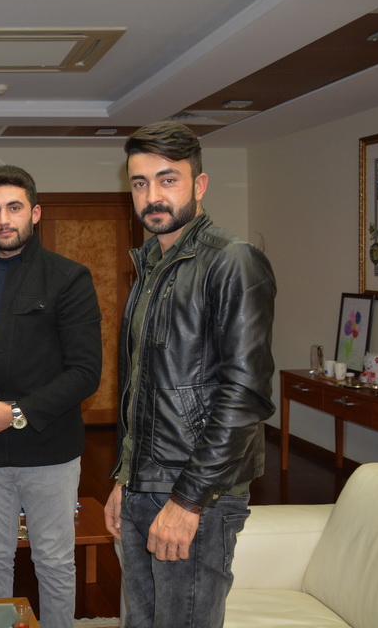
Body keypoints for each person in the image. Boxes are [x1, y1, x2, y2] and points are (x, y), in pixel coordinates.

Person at [103, 121, 276, 628]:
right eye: (140, 183)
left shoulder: (232, 261)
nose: (152, 196)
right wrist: (125, 478)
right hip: (145, 484)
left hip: (196, 493)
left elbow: (244, 397)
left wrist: (187, 501)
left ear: (199, 185)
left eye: (168, 179)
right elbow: (142, 388)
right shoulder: (152, 265)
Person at [0, 165, 102, 628]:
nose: (3, 219)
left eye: (13, 208)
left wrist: (15, 412)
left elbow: (86, 372)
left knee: (53, 560)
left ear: (35, 212)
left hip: (49, 448)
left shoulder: (69, 277)